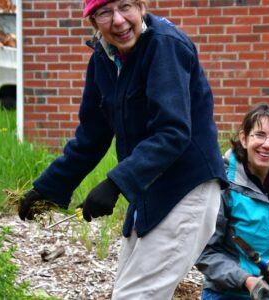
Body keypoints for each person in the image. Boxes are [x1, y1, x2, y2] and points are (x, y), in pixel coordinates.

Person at [17, 0, 228, 299]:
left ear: (141, 7)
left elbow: (173, 131)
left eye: (125, 6)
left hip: (186, 188)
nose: (118, 20)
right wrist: (50, 187)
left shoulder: (164, 46)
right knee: (130, 292)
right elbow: (91, 135)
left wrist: (115, 183)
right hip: (148, 189)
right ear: (93, 22)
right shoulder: (103, 59)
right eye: (104, 12)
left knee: (135, 295)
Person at [196, 104, 269, 300]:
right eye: (259, 135)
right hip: (230, 294)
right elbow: (205, 251)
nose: (267, 144)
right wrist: (247, 280)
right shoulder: (221, 183)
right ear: (243, 139)